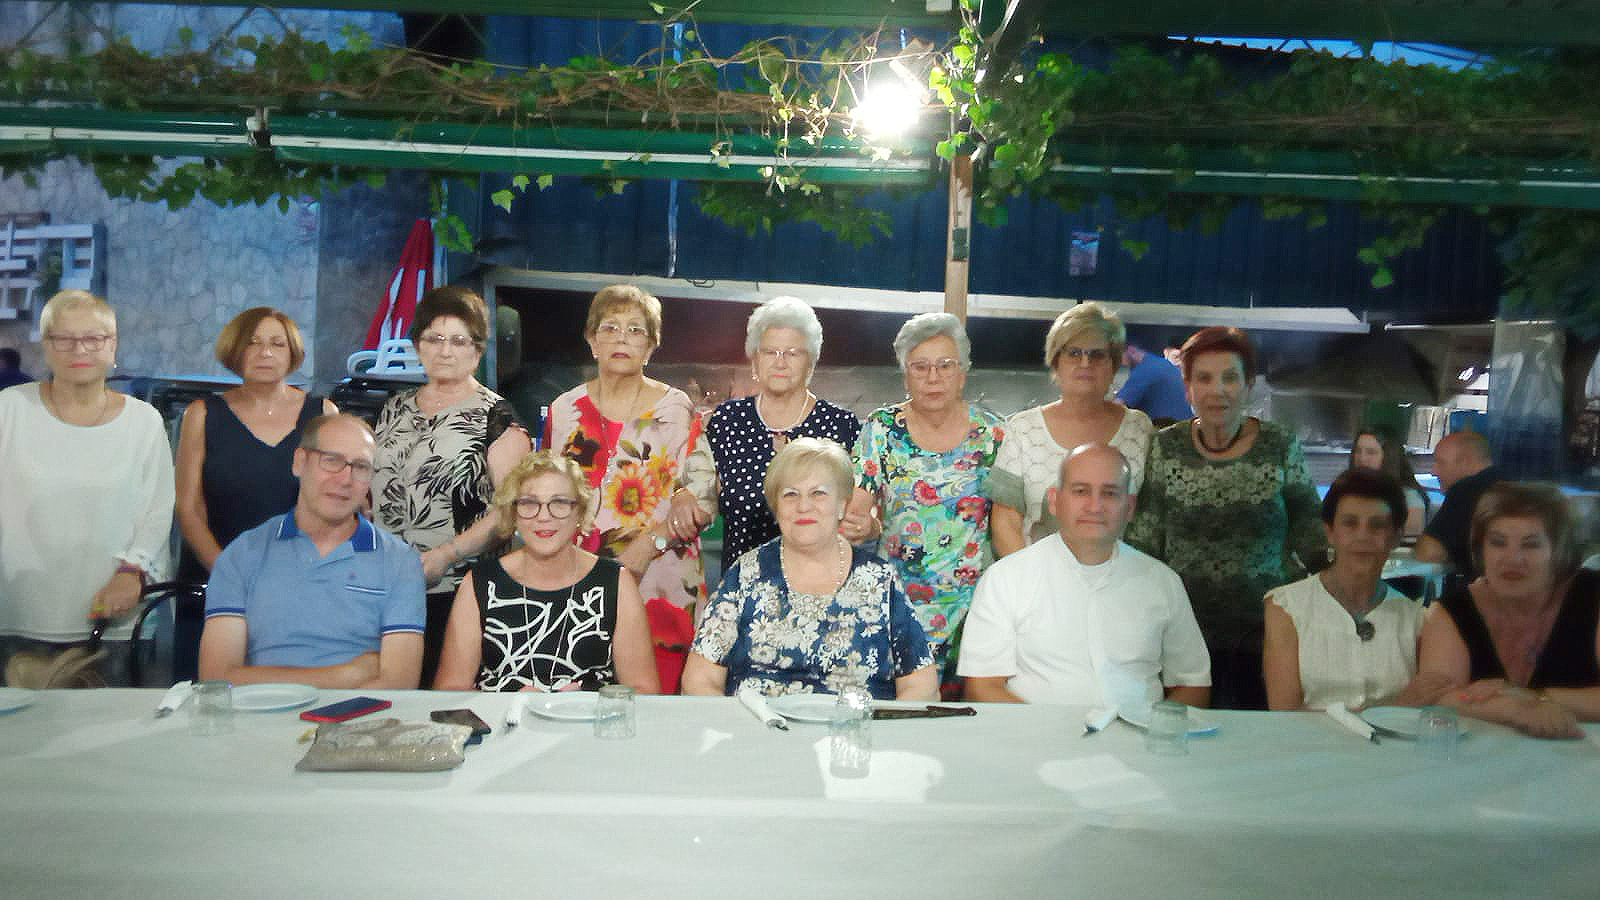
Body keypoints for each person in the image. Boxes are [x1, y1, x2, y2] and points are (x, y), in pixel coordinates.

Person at [1126, 326, 1325, 710]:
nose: (1217, 390)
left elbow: (1311, 535)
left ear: (1248, 387)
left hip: (1268, 637)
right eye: (1204, 378)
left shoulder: (1279, 445)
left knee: (1258, 739)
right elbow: (1145, 542)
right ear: (1187, 389)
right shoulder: (1166, 447)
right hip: (1182, 636)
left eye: (1230, 378)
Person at [0, 291, 174, 685]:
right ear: (46, 347)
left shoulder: (143, 421)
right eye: (63, 338)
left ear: (112, 346)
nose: (79, 349)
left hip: (112, 619)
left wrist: (132, 572)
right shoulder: (9, 410)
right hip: (16, 615)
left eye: (94, 338)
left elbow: (158, 510)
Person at [682, 438, 936, 700]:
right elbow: (699, 681)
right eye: (790, 494)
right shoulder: (745, 573)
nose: (803, 506)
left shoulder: (880, 579)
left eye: (819, 493)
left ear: (842, 504)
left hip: (856, 724)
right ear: (775, 507)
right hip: (759, 723)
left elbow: (921, 686)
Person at [960, 443, 1210, 709]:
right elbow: (982, 688)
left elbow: (1192, 685)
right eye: (1081, 491)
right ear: (1054, 501)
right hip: (1033, 733)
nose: (1095, 506)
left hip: (1141, 733)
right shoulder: (1006, 579)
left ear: (1129, 507)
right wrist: (1046, 730)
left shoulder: (1162, 582)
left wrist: (1155, 730)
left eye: (1110, 493)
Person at [546, 284, 706, 693]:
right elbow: (547, 491)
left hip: (660, 580)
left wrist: (648, 546)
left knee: (658, 706)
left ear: (650, 347)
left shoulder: (676, 409)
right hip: (578, 579)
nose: (622, 338)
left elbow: (700, 499)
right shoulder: (563, 410)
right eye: (610, 327)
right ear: (591, 340)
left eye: (636, 330)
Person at [372, 286, 531, 687]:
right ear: (417, 346)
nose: (445, 351)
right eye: (435, 338)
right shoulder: (392, 408)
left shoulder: (497, 417)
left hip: (459, 590)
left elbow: (510, 512)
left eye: (459, 341)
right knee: (384, 693)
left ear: (477, 352)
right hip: (383, 586)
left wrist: (446, 555)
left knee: (443, 699)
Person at [198, 414, 425, 689]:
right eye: (332, 460)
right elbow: (216, 678)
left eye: (361, 467)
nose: (345, 479)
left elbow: (399, 684)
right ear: (299, 462)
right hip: (259, 712)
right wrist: (344, 676)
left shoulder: (400, 563)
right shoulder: (243, 555)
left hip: (359, 715)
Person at [174, 308, 335, 681]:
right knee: (208, 700)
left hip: (299, 587)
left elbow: (334, 503)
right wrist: (230, 575)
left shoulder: (322, 413)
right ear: (235, 350)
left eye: (277, 344)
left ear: (292, 353)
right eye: (253, 343)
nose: (265, 353)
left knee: (294, 698)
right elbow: (188, 508)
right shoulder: (201, 414)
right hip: (214, 581)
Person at [843, 312, 1004, 680]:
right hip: (896, 605)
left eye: (945, 365)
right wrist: (864, 526)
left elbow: (1009, 522)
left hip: (975, 609)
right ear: (905, 375)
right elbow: (856, 511)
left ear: (962, 372)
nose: (933, 377)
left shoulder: (993, 434)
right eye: (920, 367)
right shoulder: (881, 429)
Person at [435, 452, 659, 694]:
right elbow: (449, 690)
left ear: (579, 512)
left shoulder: (615, 581)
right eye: (529, 503)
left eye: (559, 503)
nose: (543, 516)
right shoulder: (480, 582)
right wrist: (506, 703)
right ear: (513, 513)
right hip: (499, 717)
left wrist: (588, 705)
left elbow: (645, 691)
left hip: (589, 717)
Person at [671, 296, 860, 568]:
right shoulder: (726, 421)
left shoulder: (841, 425)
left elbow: (858, 513)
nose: (780, 363)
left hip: (823, 577)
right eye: (770, 352)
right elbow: (698, 491)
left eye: (792, 353)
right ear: (755, 361)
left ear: (810, 363)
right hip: (741, 581)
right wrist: (682, 495)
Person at [1403, 482, 1600, 739]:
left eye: (1531, 545)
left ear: (1558, 553)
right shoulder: (1454, 611)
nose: (1513, 559)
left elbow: (1459, 698)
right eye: (1498, 543)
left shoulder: (1592, 597)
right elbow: (1438, 697)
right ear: (1481, 551)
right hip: (1483, 760)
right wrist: (1514, 709)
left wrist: (1534, 697)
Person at [990, 303, 1154, 556]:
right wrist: (1032, 577)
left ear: (1113, 365)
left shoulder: (1139, 429)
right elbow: (1005, 525)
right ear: (1055, 362)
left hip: (1120, 575)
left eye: (1097, 355)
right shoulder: (1023, 430)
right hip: (1037, 576)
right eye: (1074, 353)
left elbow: (1149, 521)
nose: (1085, 363)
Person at [1262, 469, 1425, 711]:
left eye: (1377, 526)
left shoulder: (1417, 620)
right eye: (1350, 524)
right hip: (1306, 738)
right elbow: (1285, 714)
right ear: (1330, 533)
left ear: (1395, 537)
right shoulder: (1286, 608)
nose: (1363, 536)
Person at [1414, 430, 1500, 578]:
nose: (1433, 472)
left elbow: (1428, 554)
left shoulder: (1465, 490)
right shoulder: (1510, 485)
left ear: (1466, 462)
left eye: (1440, 463)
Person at [1348, 425, 1429, 540]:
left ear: (1388, 457)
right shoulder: (1346, 492)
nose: (1362, 459)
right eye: (1358, 451)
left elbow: (1409, 540)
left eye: (1371, 452)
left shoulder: (1409, 498)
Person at [1116, 341, 1191, 427]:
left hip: (1167, 429)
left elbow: (1117, 406)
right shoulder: (1163, 364)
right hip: (1186, 426)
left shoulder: (1144, 371)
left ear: (1131, 350)